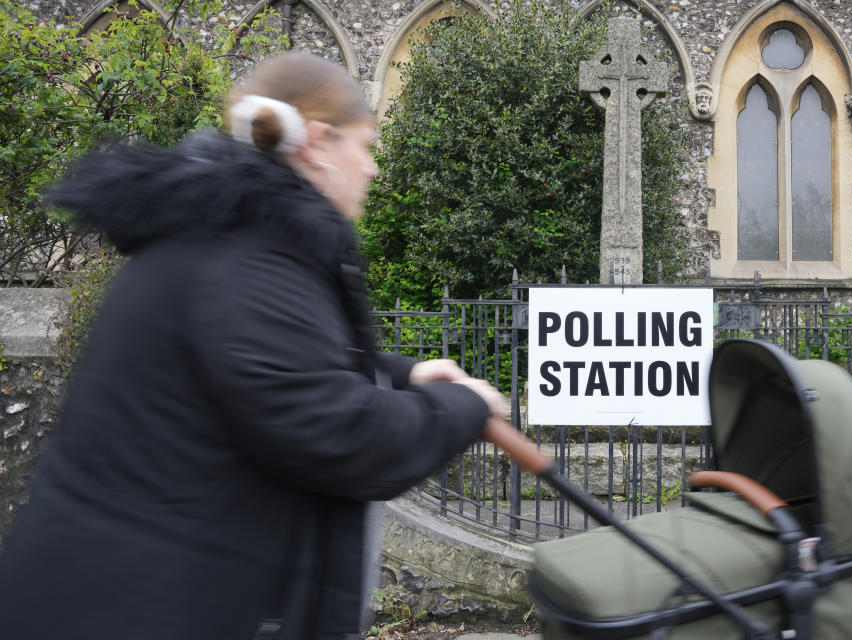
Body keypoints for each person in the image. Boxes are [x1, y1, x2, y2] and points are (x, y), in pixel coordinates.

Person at [0, 52, 504, 640]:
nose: (371, 169)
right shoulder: (246, 261)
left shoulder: (231, 238)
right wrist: (466, 407)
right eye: (364, 147)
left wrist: (407, 375)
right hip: (131, 610)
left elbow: (279, 363)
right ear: (318, 142)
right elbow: (335, 432)